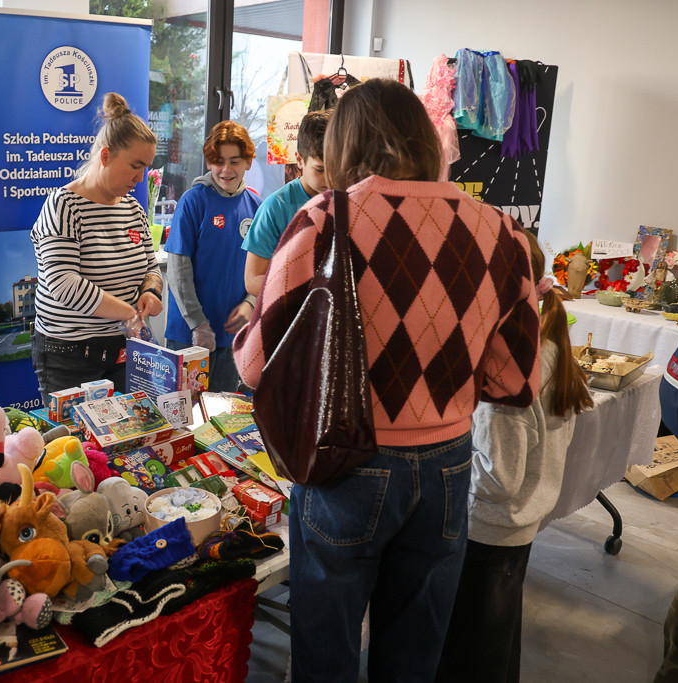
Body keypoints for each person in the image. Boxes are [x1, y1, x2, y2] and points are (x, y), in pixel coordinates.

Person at [232, 78, 541, 682]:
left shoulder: (322, 219)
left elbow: (253, 366)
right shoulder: (501, 232)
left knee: (326, 655)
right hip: (450, 465)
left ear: (345, 145)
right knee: (414, 658)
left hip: (345, 460)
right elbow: (513, 381)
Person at [436, 229, 592, 683]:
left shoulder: (506, 368)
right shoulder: (546, 344)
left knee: (470, 649)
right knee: (496, 639)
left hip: (487, 526)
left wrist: (440, 471)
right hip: (517, 522)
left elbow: (495, 478)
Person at [30, 93, 162, 396]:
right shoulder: (64, 206)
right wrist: (129, 312)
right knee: (74, 443)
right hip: (69, 357)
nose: (141, 178)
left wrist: (151, 291)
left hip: (123, 350)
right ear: (105, 156)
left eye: (146, 167)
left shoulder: (132, 209)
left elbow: (150, 266)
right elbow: (64, 285)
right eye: (135, 166)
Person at [164, 120, 262, 392]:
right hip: (189, 336)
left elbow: (265, 269)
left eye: (235, 161)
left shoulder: (256, 205)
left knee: (221, 420)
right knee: (184, 419)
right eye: (218, 161)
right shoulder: (193, 201)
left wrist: (250, 303)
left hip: (233, 337)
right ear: (208, 163)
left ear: (248, 163)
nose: (226, 169)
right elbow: (178, 271)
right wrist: (198, 324)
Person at [242, 110, 330, 296]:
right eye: (320, 170)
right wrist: (310, 289)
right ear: (299, 160)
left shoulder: (347, 199)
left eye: (337, 167)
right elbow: (253, 280)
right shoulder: (276, 207)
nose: (330, 178)